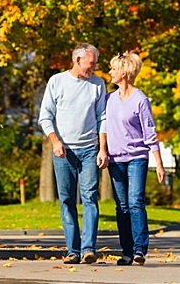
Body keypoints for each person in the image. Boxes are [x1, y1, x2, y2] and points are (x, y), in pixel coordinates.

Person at [38, 43, 108, 265]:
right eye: (91, 63)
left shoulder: (98, 84)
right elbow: (45, 116)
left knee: (89, 198)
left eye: (95, 63)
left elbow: (102, 118)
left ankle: (88, 249)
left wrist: (102, 149)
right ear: (78, 60)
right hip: (63, 151)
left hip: (89, 150)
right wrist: (55, 142)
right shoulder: (57, 82)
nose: (94, 67)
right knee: (67, 199)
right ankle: (72, 250)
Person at [106, 51, 165, 266]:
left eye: (114, 68)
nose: (110, 72)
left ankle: (140, 249)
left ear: (125, 72)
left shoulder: (141, 100)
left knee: (135, 201)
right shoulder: (109, 99)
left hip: (137, 158)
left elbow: (150, 133)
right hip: (115, 159)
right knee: (121, 206)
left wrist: (159, 163)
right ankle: (127, 252)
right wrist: (102, 150)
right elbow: (102, 127)